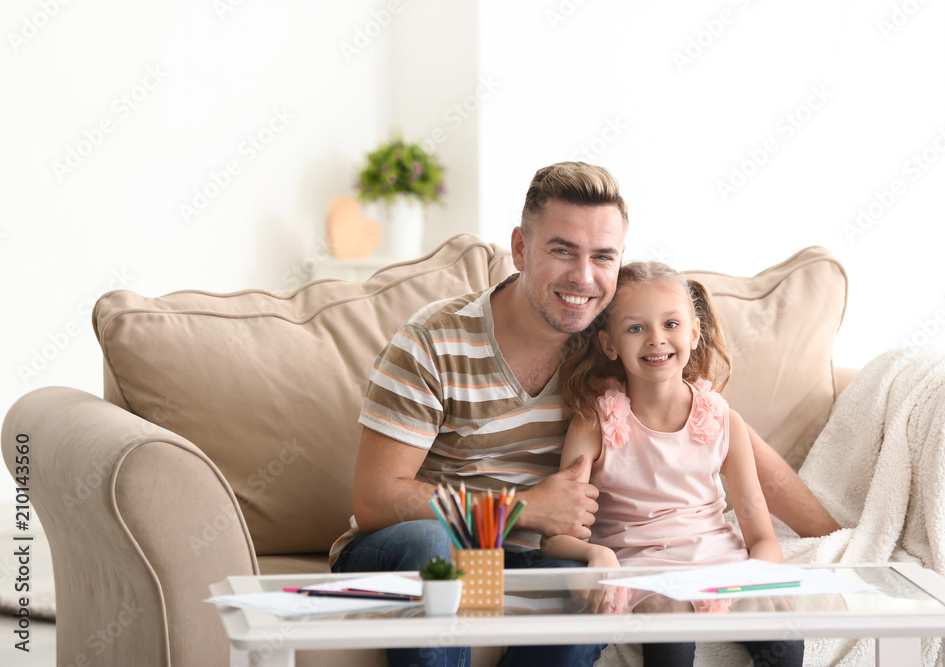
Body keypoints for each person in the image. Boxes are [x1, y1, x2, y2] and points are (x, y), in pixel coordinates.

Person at [329, 162, 835, 666]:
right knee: (436, 543)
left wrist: (833, 534)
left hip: (533, 558)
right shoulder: (433, 340)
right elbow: (376, 498)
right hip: (429, 545)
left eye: (603, 257)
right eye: (562, 250)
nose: (584, 277)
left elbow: (719, 432)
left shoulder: (610, 343)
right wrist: (520, 508)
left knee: (597, 603)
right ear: (521, 249)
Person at [542, 260, 804, 666]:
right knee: (670, 630)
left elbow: (763, 538)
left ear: (694, 333)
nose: (656, 340)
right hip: (643, 575)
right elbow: (555, 534)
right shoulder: (594, 423)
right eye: (635, 328)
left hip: (720, 568)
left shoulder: (724, 421)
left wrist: (753, 581)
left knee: (785, 638)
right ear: (610, 344)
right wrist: (596, 555)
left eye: (671, 324)